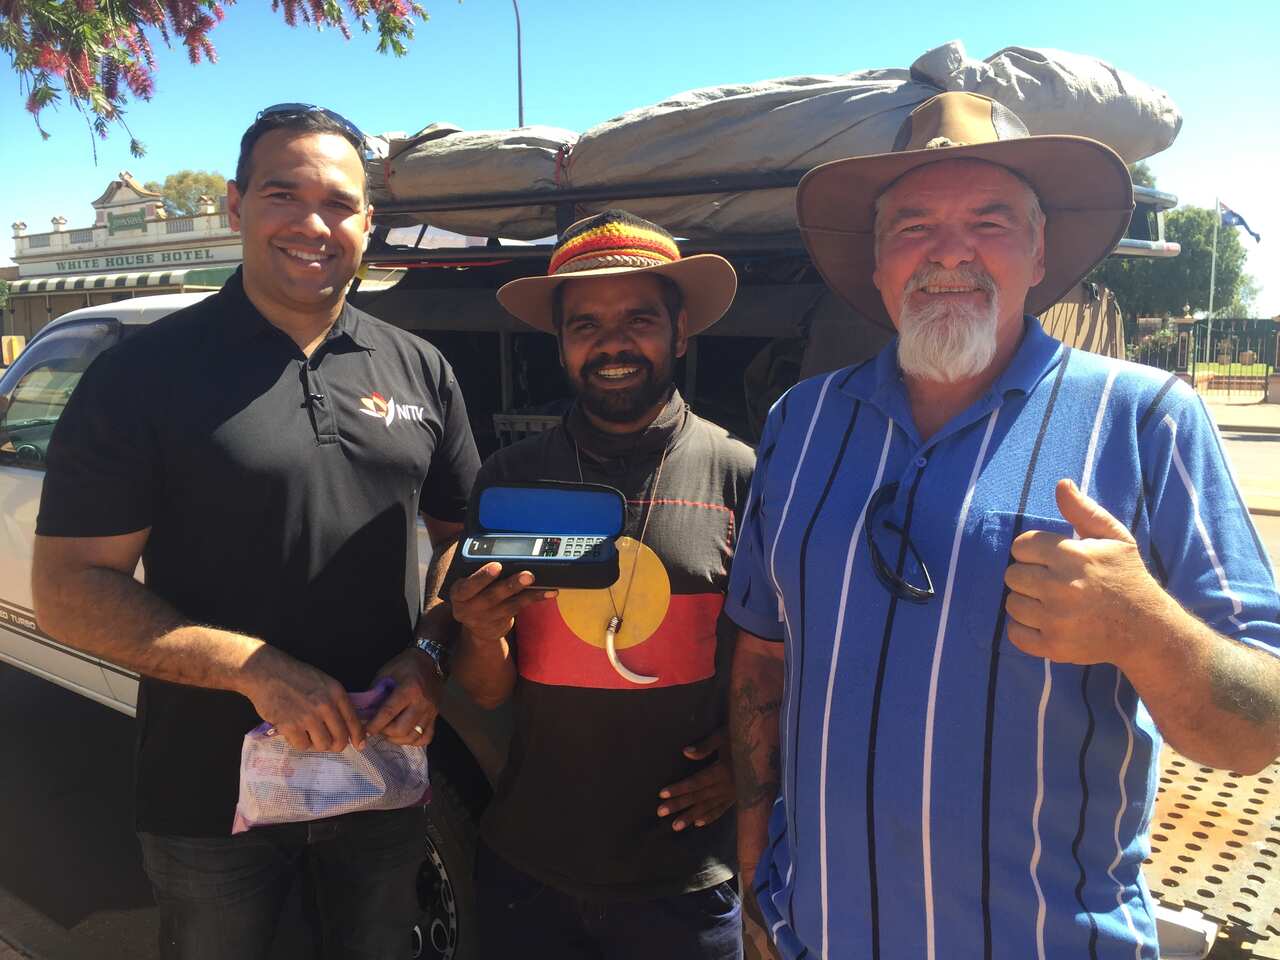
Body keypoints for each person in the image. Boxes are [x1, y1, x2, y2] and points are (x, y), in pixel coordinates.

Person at [726, 92, 1280, 960]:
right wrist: (755, 876)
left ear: (1039, 252)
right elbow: (763, 658)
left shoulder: (1146, 420)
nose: (949, 250)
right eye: (912, 225)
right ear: (876, 265)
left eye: (990, 220)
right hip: (817, 936)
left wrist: (1143, 629)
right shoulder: (800, 423)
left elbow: (1260, 729)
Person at [31, 104, 481, 959]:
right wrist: (258, 672)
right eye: (285, 194)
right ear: (236, 206)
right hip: (207, 800)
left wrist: (429, 651)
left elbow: (463, 534)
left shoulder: (419, 368)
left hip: (379, 778)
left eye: (340, 204)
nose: (314, 224)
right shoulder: (143, 374)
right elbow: (69, 591)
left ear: (370, 223)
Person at [448, 209, 755, 959]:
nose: (612, 344)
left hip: (687, 881)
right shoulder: (511, 481)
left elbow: (787, 658)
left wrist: (745, 766)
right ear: (560, 344)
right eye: (585, 325)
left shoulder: (741, 474)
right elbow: (487, 692)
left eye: (639, 319)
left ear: (680, 333)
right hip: (530, 873)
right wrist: (482, 631)